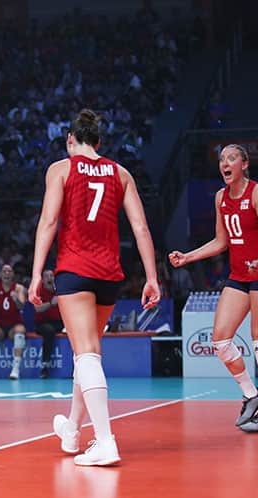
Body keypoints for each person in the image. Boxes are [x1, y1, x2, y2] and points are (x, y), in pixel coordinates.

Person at [29, 109, 160, 466]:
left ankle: (105, 441)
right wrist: (151, 277)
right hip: (109, 275)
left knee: (86, 353)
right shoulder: (121, 173)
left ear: (70, 140)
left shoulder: (60, 168)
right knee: (88, 352)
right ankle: (72, 429)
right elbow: (141, 228)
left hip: (75, 270)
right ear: (99, 142)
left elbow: (49, 221)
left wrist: (37, 272)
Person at [169, 144, 258, 432]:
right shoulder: (220, 197)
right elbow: (221, 241)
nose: (225, 163)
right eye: (222, 159)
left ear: (245, 164)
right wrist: (188, 257)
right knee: (220, 340)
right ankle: (250, 394)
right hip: (239, 275)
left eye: (232, 158)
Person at [0, 264, 27, 379]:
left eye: (9, 271)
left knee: (20, 331)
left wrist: (16, 299)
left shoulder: (19, 288)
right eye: (4, 271)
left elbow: (21, 306)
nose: (7, 273)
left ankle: (15, 369)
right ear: (0, 274)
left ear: (12, 275)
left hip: (14, 324)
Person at [34, 269, 63, 378]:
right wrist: (51, 303)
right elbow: (37, 308)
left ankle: (76, 366)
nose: (50, 278)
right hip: (42, 323)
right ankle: (45, 366)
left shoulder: (60, 290)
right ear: (42, 280)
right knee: (49, 331)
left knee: (73, 330)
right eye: (47, 276)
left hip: (59, 322)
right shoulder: (38, 290)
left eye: (52, 276)